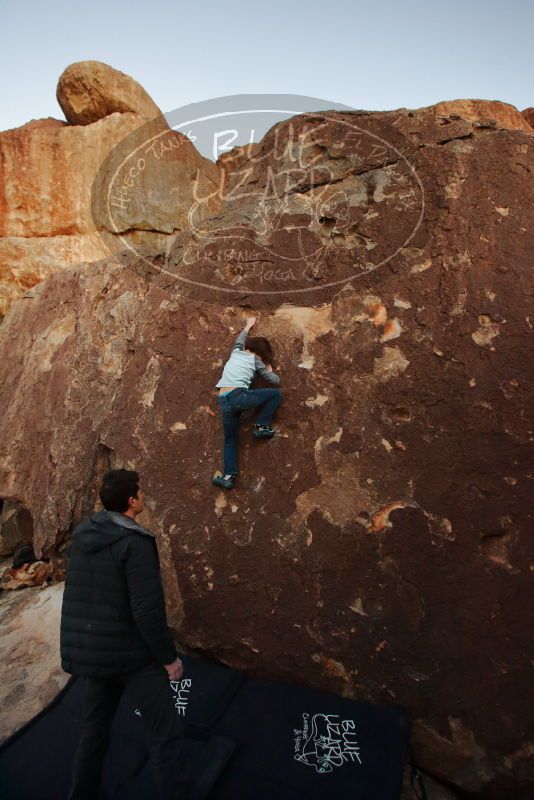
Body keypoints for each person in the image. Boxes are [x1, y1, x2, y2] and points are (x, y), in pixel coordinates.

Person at [60, 469, 188, 800]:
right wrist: (168, 659)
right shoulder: (135, 543)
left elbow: (81, 594)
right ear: (132, 502)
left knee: (94, 731)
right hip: (131, 656)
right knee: (165, 734)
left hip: (96, 652)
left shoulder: (85, 534)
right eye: (141, 492)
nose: (145, 496)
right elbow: (146, 611)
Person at [213, 316, 282, 490]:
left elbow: (240, 340)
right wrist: (268, 370)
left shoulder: (236, 351)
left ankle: (228, 476)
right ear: (260, 354)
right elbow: (274, 380)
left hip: (223, 400)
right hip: (238, 396)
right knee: (274, 394)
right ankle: (261, 426)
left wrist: (248, 326)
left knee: (230, 439)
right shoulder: (256, 360)